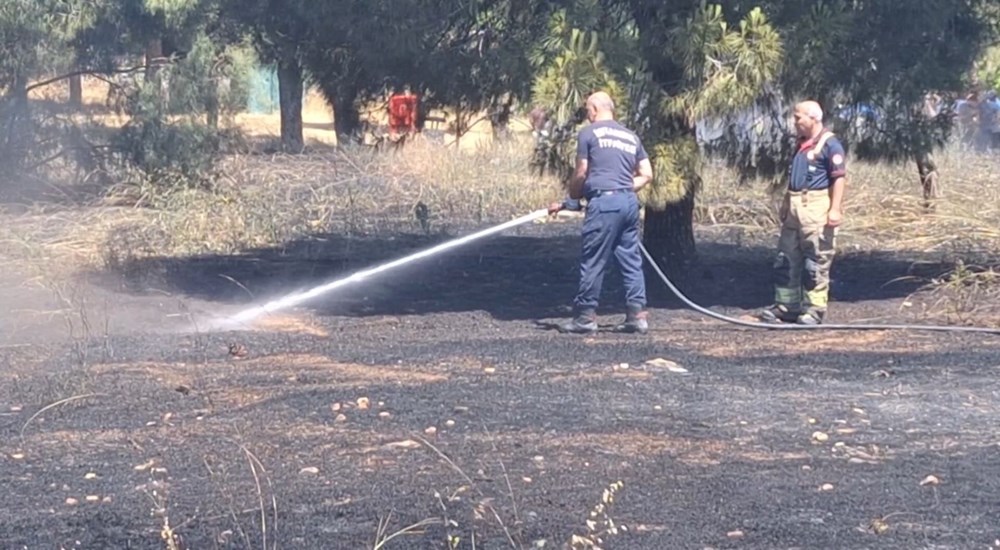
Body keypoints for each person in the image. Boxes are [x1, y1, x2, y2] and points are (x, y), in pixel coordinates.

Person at [547, 91, 654, 334]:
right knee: (631, 260)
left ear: (595, 109)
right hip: (628, 203)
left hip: (604, 205)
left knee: (593, 259)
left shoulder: (589, 133)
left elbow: (583, 170)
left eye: (587, 110)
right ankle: (637, 316)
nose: (587, 115)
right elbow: (647, 173)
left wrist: (573, 195)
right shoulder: (630, 136)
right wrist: (624, 187)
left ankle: (585, 317)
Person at [759, 100, 847, 325]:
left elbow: (839, 178)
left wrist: (835, 209)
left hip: (816, 207)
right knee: (786, 258)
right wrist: (787, 204)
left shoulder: (830, 145)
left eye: (798, 117)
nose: (795, 122)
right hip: (795, 207)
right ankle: (787, 306)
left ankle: (814, 310)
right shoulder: (801, 144)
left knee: (815, 261)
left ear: (813, 118)